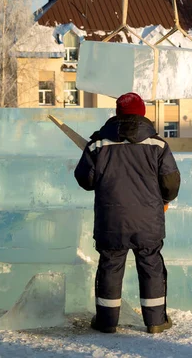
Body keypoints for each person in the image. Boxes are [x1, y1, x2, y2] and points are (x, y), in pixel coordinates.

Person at [74, 92, 181, 334]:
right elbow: (171, 183)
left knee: (110, 266)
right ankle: (155, 322)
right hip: (148, 219)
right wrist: (164, 200)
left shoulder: (98, 144)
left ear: (118, 113)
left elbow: (85, 180)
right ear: (142, 113)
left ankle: (107, 322)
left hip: (111, 220)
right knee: (151, 264)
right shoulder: (157, 145)